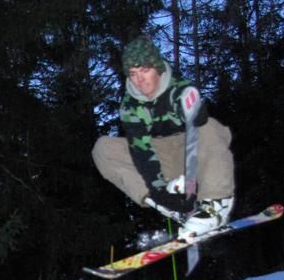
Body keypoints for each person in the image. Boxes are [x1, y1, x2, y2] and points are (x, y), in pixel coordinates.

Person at [92, 36, 235, 242]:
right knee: (103, 148)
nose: (140, 80)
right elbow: (141, 151)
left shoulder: (177, 88)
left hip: (191, 152)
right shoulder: (130, 107)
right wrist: (159, 192)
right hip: (161, 159)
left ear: (157, 68)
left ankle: (216, 204)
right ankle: (170, 206)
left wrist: (195, 111)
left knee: (210, 127)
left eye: (144, 71)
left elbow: (193, 113)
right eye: (133, 74)